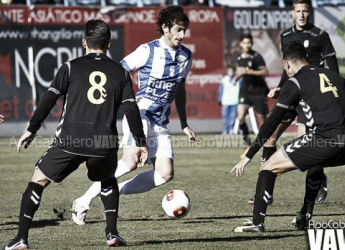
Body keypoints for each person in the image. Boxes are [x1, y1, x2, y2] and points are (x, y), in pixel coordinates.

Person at [4, 20, 148, 249]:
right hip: (103, 142)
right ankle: (112, 233)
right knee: (107, 179)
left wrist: (32, 128)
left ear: (84, 42)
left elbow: (49, 99)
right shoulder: (120, 72)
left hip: (70, 140)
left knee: (38, 180)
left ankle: (21, 238)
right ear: (109, 44)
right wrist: (140, 142)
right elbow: (131, 109)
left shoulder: (70, 67)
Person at [71, 5, 196, 226]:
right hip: (139, 115)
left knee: (165, 174)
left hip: (160, 122)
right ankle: (83, 201)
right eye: (177, 29)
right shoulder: (147, 50)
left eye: (184, 30)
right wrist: (113, 104)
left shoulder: (186, 56)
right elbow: (118, 72)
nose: (182, 35)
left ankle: (109, 190)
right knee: (129, 162)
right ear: (165, 28)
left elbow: (181, 89)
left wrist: (184, 123)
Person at [231, 41, 345, 233]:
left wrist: (249, 155)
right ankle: (304, 216)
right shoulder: (334, 76)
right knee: (315, 161)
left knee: (268, 167)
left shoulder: (294, 81)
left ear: (287, 63)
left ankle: (257, 223)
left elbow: (272, 121)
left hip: (326, 141)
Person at [248, 0, 341, 206]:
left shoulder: (320, 36)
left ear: (310, 13)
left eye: (305, 11)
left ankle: (318, 181)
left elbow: (334, 72)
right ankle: (265, 192)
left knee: (308, 143)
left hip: (312, 97)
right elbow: (287, 66)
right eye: (298, 11)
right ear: (292, 13)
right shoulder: (285, 36)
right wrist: (281, 87)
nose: (301, 15)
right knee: (271, 137)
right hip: (293, 92)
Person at [235, 33, 269, 158]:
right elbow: (240, 71)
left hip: (258, 91)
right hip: (245, 91)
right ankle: (248, 144)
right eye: (245, 43)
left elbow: (266, 72)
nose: (247, 45)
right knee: (240, 117)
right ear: (241, 44)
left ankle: (268, 146)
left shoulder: (256, 56)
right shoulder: (239, 58)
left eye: (249, 43)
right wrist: (236, 77)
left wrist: (250, 71)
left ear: (252, 44)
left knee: (262, 121)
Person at [218, 66, 240, 134]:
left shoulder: (238, 80)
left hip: (235, 101)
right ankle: (225, 130)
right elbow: (220, 90)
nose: (231, 72)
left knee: (233, 117)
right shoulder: (224, 79)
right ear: (227, 72)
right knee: (225, 117)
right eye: (229, 71)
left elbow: (241, 90)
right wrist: (220, 98)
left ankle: (231, 130)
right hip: (225, 101)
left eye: (232, 71)